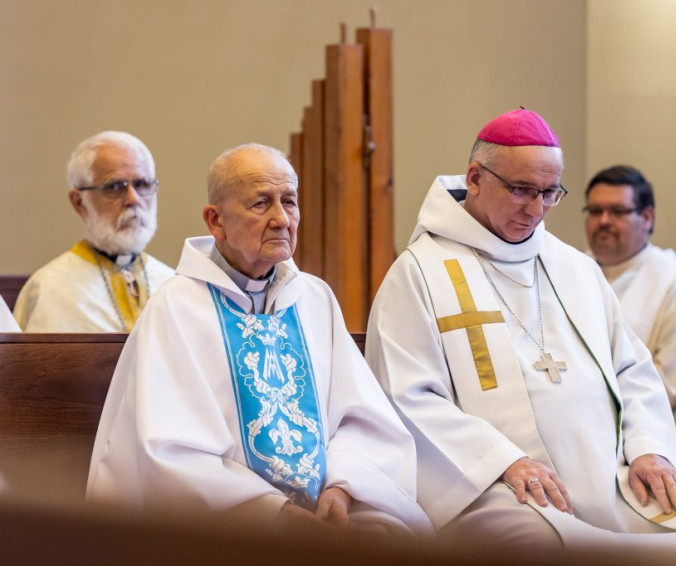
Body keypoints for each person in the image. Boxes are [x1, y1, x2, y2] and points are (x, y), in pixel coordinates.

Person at [366, 109, 676, 562]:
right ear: (475, 178)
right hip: (499, 487)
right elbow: (407, 397)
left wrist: (649, 449)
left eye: (550, 193)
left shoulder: (575, 267)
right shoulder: (420, 272)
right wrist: (502, 460)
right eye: (521, 190)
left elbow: (632, 370)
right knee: (552, 552)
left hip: (614, 479)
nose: (536, 209)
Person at [87, 143, 431, 535]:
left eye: (290, 201)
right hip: (230, 527)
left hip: (331, 515)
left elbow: (365, 421)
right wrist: (274, 514)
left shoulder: (314, 299)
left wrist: (342, 488)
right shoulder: (177, 308)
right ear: (216, 221)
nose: (281, 219)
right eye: (261, 203)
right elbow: (169, 451)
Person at [584, 165, 676, 486]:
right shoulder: (571, 271)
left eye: (617, 211)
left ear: (647, 217)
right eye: (595, 211)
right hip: (578, 442)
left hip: (652, 458)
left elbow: (665, 389)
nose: (603, 221)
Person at [14, 131, 173, 332]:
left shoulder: (171, 283)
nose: (133, 199)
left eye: (142, 184)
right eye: (115, 186)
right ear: (79, 203)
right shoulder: (48, 289)